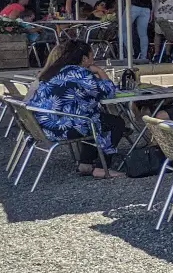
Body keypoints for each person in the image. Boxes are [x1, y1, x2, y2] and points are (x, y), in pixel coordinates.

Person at [25, 40, 125, 178]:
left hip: (42, 126)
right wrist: (100, 71)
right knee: (115, 122)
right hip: (63, 127)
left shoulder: (53, 71)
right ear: (84, 58)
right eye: (91, 56)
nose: (93, 59)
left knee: (94, 118)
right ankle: (102, 167)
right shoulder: (79, 73)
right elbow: (109, 91)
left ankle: (86, 163)